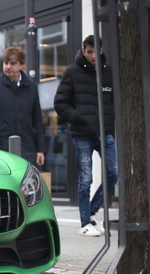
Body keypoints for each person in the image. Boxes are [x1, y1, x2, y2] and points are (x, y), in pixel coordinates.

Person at [54, 35, 117, 237]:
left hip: (104, 133)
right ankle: (84, 223)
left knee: (113, 173)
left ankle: (91, 211)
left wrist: (111, 122)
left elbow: (114, 101)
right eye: (88, 51)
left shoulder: (108, 72)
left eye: (94, 51)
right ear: (83, 51)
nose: (91, 55)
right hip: (82, 134)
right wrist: (77, 117)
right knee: (86, 179)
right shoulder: (71, 72)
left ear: (100, 50)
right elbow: (60, 103)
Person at [0, 46, 46, 167]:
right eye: (6, 63)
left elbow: (37, 119)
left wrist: (40, 149)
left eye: (13, 63)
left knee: (26, 184)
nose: (8, 66)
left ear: (21, 65)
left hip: (27, 148)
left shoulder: (31, 87)